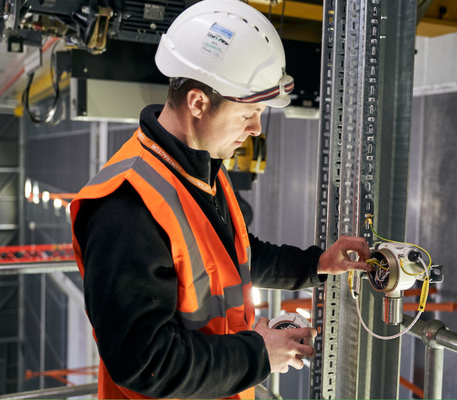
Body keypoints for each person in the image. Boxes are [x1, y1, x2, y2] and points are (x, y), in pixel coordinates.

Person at [70, 0, 371, 398]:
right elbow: (143, 362)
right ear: (198, 103)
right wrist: (258, 355)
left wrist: (316, 264)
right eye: (249, 111)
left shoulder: (200, 168)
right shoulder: (126, 209)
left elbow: (236, 256)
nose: (256, 128)